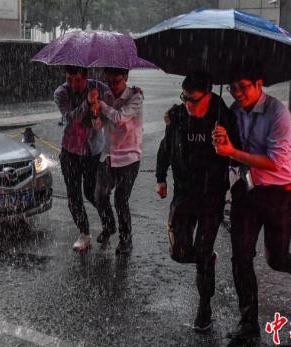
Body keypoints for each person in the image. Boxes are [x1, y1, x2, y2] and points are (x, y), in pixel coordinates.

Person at [212, 72, 291, 341]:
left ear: (259, 84)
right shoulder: (232, 110)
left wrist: (232, 152)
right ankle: (248, 323)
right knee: (241, 257)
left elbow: (274, 163)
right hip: (248, 190)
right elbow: (228, 149)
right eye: (233, 87)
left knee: (276, 259)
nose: (237, 93)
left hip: (280, 193)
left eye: (243, 87)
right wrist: (221, 140)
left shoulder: (278, 114)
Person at [156, 72, 240, 332]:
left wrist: (226, 145)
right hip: (184, 192)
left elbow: (238, 154)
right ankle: (205, 258)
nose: (188, 104)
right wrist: (161, 178)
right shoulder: (178, 117)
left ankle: (204, 306)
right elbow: (165, 146)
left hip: (211, 195)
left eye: (193, 100)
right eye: (184, 98)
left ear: (209, 94)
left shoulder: (222, 115)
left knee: (202, 252)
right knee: (179, 252)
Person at [54, 66, 113, 252]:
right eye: (69, 80)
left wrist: (132, 93)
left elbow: (115, 102)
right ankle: (84, 234)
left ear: (86, 76)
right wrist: (87, 103)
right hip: (70, 150)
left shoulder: (100, 88)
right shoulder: (61, 93)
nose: (74, 85)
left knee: (92, 192)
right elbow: (70, 118)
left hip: (92, 151)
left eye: (78, 80)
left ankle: (108, 222)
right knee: (73, 195)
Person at [88, 67, 143, 255]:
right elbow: (98, 126)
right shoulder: (107, 96)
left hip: (129, 156)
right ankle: (109, 225)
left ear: (126, 78)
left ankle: (126, 238)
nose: (113, 86)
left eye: (117, 81)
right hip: (109, 154)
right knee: (100, 194)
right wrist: (95, 111)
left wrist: (101, 104)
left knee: (121, 199)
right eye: (109, 82)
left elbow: (119, 118)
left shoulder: (136, 97)